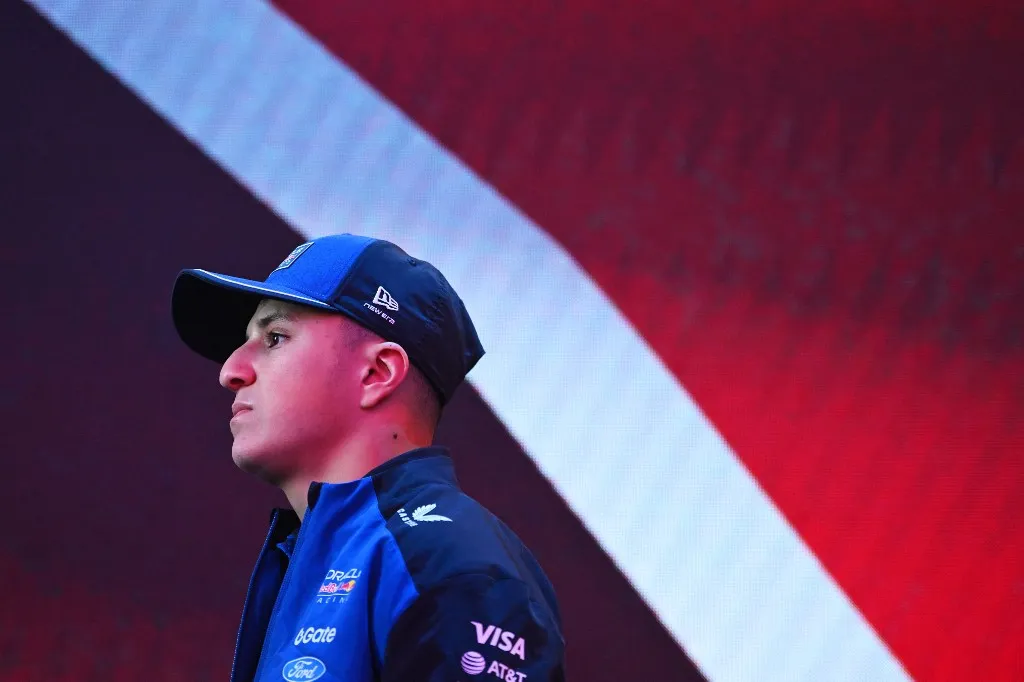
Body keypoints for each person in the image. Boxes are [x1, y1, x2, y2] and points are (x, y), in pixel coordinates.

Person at [171, 233, 566, 682]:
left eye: (276, 337)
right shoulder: (333, 555)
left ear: (377, 373)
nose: (230, 371)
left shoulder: (446, 561)